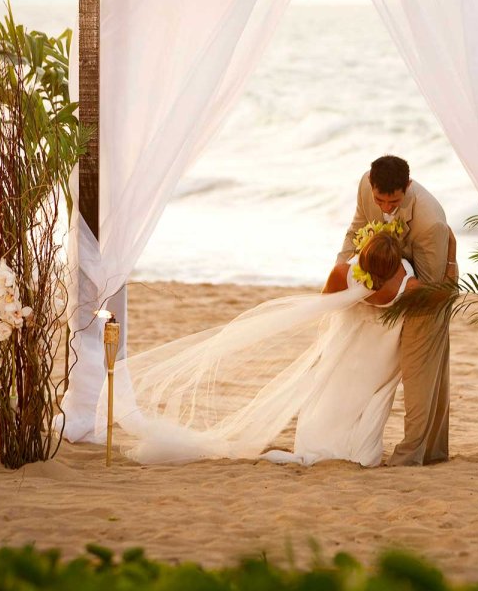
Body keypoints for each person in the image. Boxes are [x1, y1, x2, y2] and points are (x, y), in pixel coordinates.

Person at [102, 227, 438, 468]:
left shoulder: (346, 273)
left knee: (344, 399)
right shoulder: (408, 287)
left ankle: (332, 449)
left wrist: (358, 303)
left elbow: (324, 308)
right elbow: (442, 299)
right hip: (366, 352)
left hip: (363, 352)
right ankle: (330, 451)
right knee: (344, 401)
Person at [333, 155, 455, 466]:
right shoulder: (365, 186)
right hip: (386, 280)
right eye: (380, 200)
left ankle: (412, 454)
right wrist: (342, 271)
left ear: (408, 188)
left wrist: (396, 287)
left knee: (419, 374)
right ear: (371, 186)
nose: (386, 208)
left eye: (394, 202)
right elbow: (356, 229)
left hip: (426, 294)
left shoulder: (430, 223)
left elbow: (432, 287)